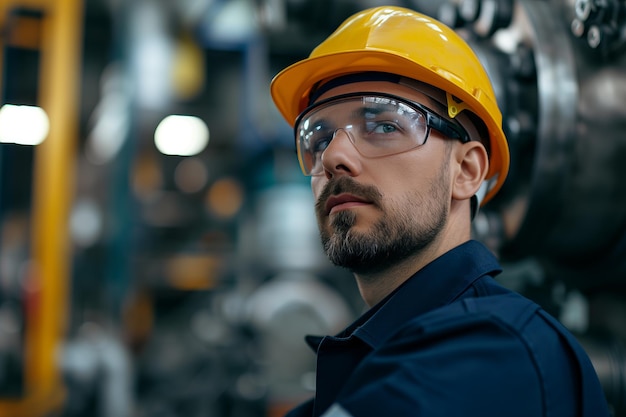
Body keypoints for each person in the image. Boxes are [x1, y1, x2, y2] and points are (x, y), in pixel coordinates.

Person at [269, 5, 610, 417]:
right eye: (318, 137)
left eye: (383, 125)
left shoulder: (495, 354)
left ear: (466, 171)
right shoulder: (376, 367)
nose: (333, 157)